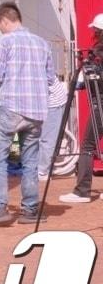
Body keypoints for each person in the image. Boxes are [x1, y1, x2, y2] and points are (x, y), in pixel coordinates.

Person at [0, 3, 53, 227]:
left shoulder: (5, 42)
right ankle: (30, 210)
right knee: (30, 161)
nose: (0, 29)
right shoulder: (42, 43)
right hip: (37, 110)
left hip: (12, 107)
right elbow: (50, 79)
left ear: (4, 21)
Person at [61, 12, 103, 204]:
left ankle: (82, 190)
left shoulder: (97, 55)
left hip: (100, 104)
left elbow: (84, 83)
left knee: (87, 146)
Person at [39, 62, 70, 181]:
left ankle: (42, 171)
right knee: (44, 139)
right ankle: (40, 169)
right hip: (53, 102)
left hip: (53, 104)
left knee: (47, 139)